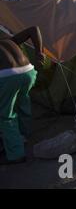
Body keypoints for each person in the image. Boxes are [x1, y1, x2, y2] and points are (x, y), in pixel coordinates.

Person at [0, 27, 44, 165]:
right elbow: (34, 29)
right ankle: (25, 136)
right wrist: (39, 52)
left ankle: (15, 154)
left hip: (8, 76)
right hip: (28, 72)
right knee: (22, 102)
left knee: (6, 115)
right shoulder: (7, 40)